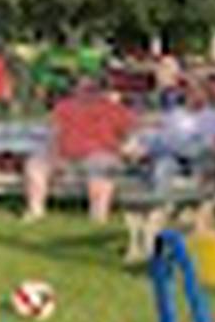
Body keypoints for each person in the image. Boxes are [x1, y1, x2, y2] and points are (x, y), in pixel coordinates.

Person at [21, 78, 140, 224]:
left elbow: (131, 133)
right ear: (76, 90)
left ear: (101, 92)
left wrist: (127, 150)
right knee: (35, 165)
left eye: (92, 89)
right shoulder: (64, 107)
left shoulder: (113, 109)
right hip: (66, 156)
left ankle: (98, 216)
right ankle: (35, 210)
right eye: (84, 89)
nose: (87, 94)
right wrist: (54, 157)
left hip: (99, 154)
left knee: (101, 168)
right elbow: (54, 134)